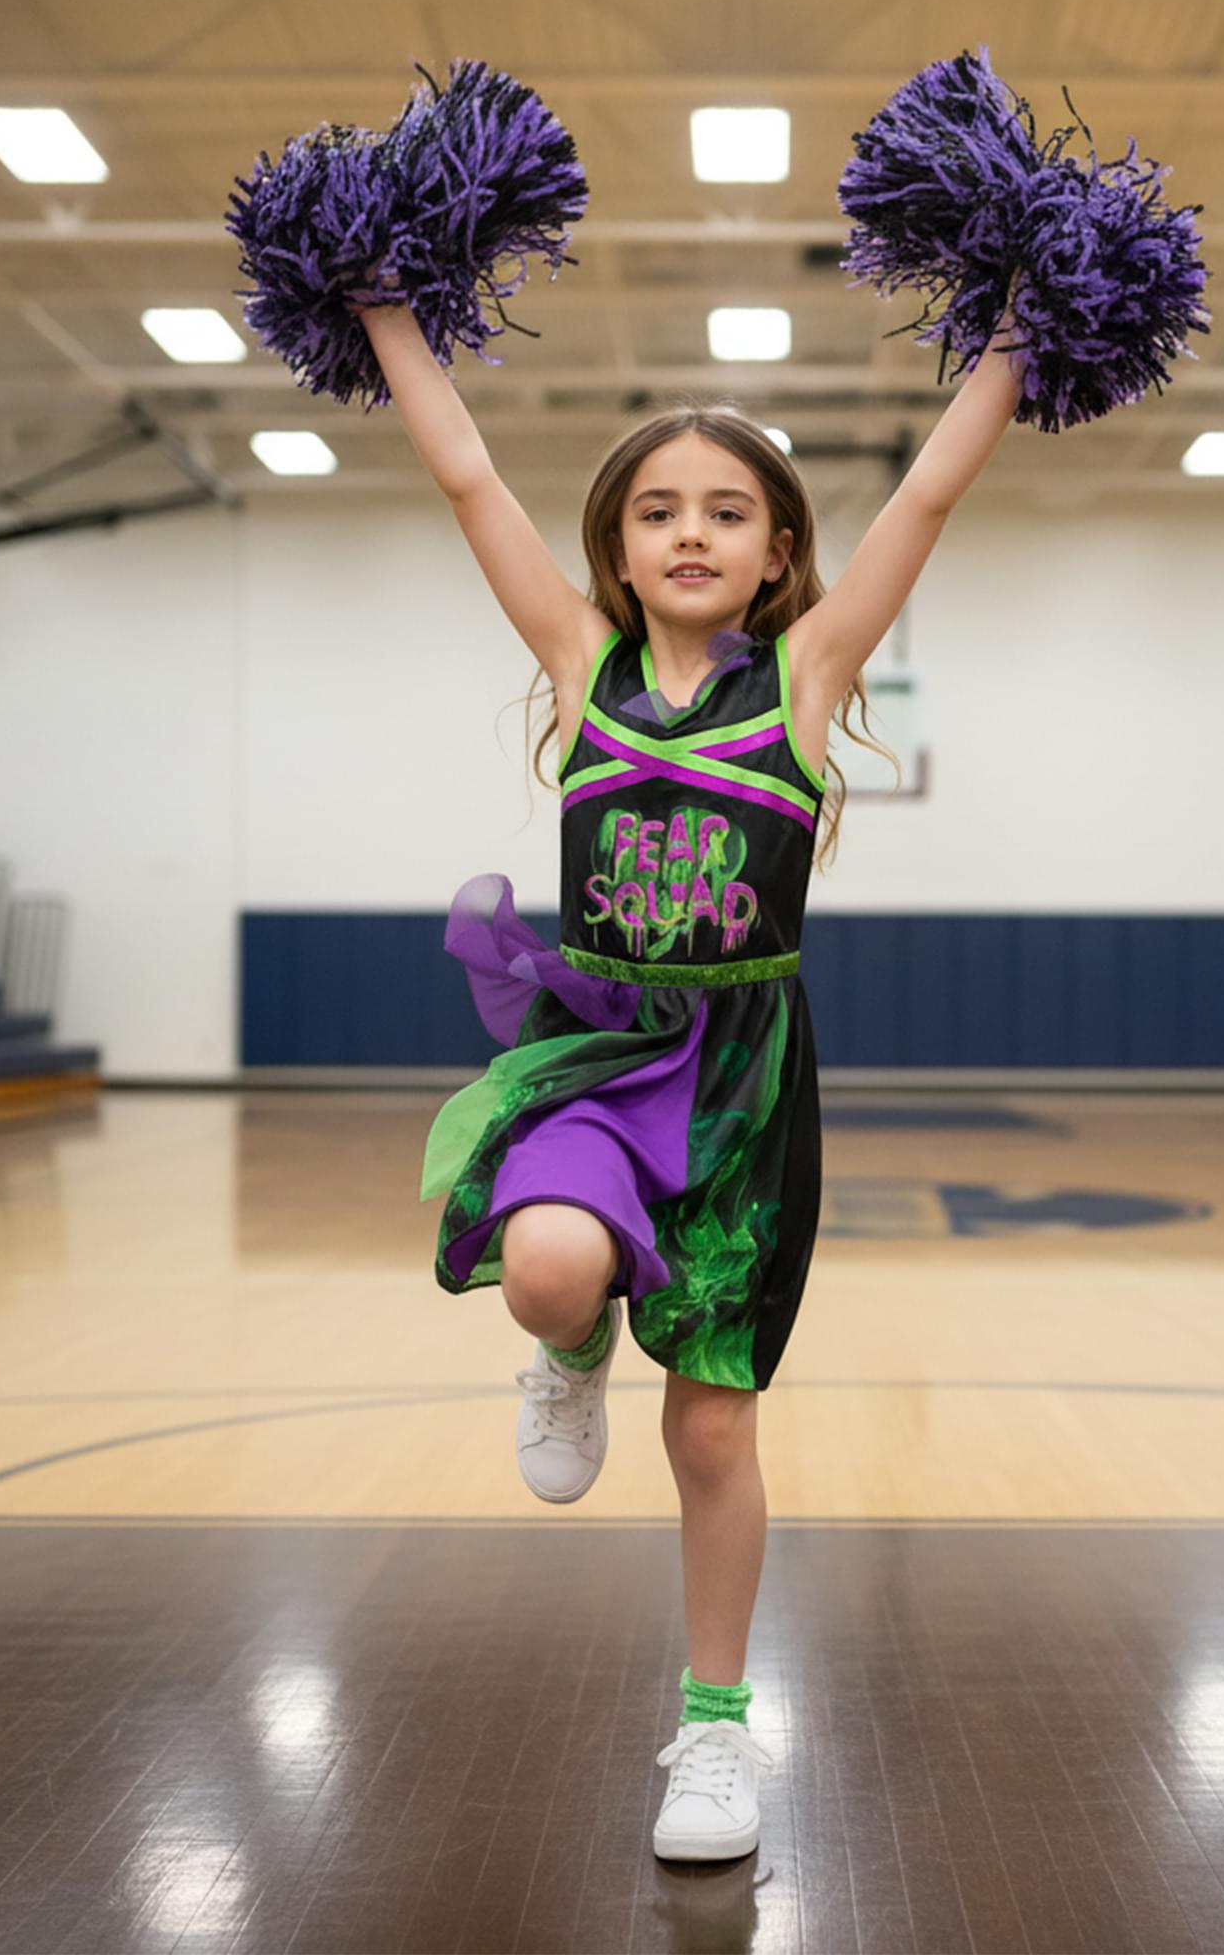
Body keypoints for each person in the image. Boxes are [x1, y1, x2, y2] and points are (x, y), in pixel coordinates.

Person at [356, 287, 1023, 1860]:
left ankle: (714, 1738)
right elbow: (466, 476)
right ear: (620, 549)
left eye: (729, 511)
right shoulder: (583, 667)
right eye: (659, 511)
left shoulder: (801, 689)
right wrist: (387, 311)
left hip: (743, 1080)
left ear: (781, 554)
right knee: (542, 1274)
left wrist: (1021, 337)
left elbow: (929, 491)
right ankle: (570, 1344)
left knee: (714, 1434)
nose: (692, 532)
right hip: (601, 1049)